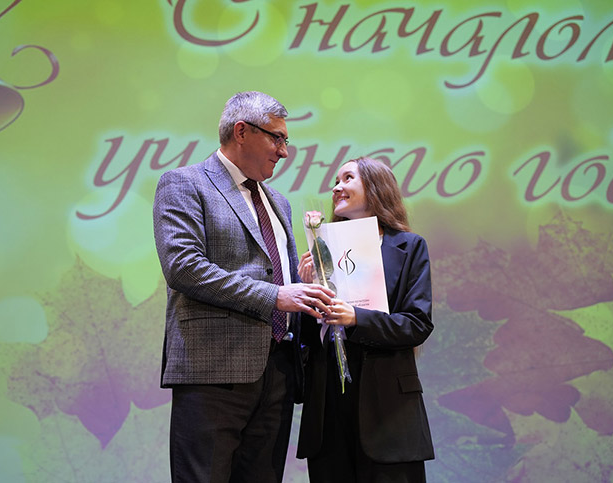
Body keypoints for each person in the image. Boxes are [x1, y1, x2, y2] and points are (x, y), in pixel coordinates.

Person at [153, 91, 335, 483]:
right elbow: (184, 268)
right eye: (277, 138)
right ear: (241, 132)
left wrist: (306, 284)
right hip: (214, 371)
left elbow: (278, 277)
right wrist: (277, 296)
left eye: (286, 140)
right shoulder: (185, 183)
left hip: (279, 371)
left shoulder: (279, 202)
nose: (284, 151)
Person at [296, 157, 435, 482]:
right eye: (335, 180)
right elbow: (307, 340)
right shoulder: (321, 251)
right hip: (329, 407)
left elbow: (417, 324)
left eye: (347, 178)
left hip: (389, 410)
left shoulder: (410, 246)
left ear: (375, 187)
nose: (336, 187)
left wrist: (356, 317)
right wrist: (307, 293)